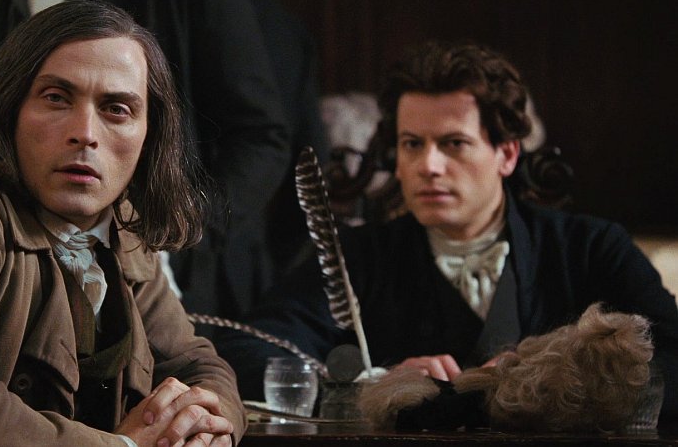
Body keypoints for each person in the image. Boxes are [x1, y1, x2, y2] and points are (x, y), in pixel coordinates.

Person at [213, 40, 678, 426]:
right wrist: (369, 384)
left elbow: (671, 361)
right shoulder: (358, 257)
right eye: (412, 144)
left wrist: (557, 379)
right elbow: (243, 351)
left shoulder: (592, 247)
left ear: (507, 154)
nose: (428, 165)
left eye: (454, 143)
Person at [0, 1, 244, 446]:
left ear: (149, 136)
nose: (84, 133)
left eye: (116, 109)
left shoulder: (120, 220)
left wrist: (208, 426)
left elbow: (197, 367)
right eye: (56, 98)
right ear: (9, 106)